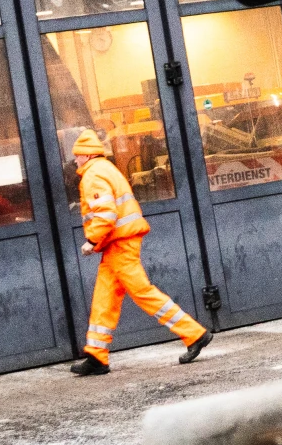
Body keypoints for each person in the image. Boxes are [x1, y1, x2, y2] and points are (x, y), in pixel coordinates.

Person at [70, 130, 212, 376]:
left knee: (142, 292)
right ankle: (96, 355)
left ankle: (195, 334)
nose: (75, 160)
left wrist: (91, 241)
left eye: (78, 155)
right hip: (118, 244)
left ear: (89, 154)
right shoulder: (106, 169)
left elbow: (106, 214)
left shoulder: (93, 175)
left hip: (119, 244)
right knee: (104, 298)